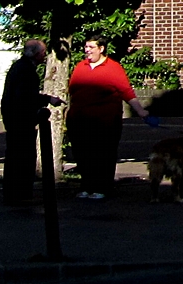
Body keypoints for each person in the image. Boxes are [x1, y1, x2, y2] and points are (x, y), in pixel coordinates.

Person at [66, 37, 159, 200]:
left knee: (102, 154)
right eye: (86, 47)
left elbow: (126, 91)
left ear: (101, 49)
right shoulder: (81, 66)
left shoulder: (113, 68)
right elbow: (72, 90)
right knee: (82, 154)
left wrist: (140, 110)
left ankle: (102, 187)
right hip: (79, 120)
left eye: (91, 47)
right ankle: (87, 186)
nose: (87, 50)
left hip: (104, 121)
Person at [0, 38, 60, 207]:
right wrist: (46, 100)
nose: (44, 56)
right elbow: (25, 97)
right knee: (22, 158)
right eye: (42, 53)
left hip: (13, 119)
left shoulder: (19, 67)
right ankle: (20, 193)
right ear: (35, 54)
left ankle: (13, 193)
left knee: (14, 157)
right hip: (20, 121)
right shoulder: (27, 71)